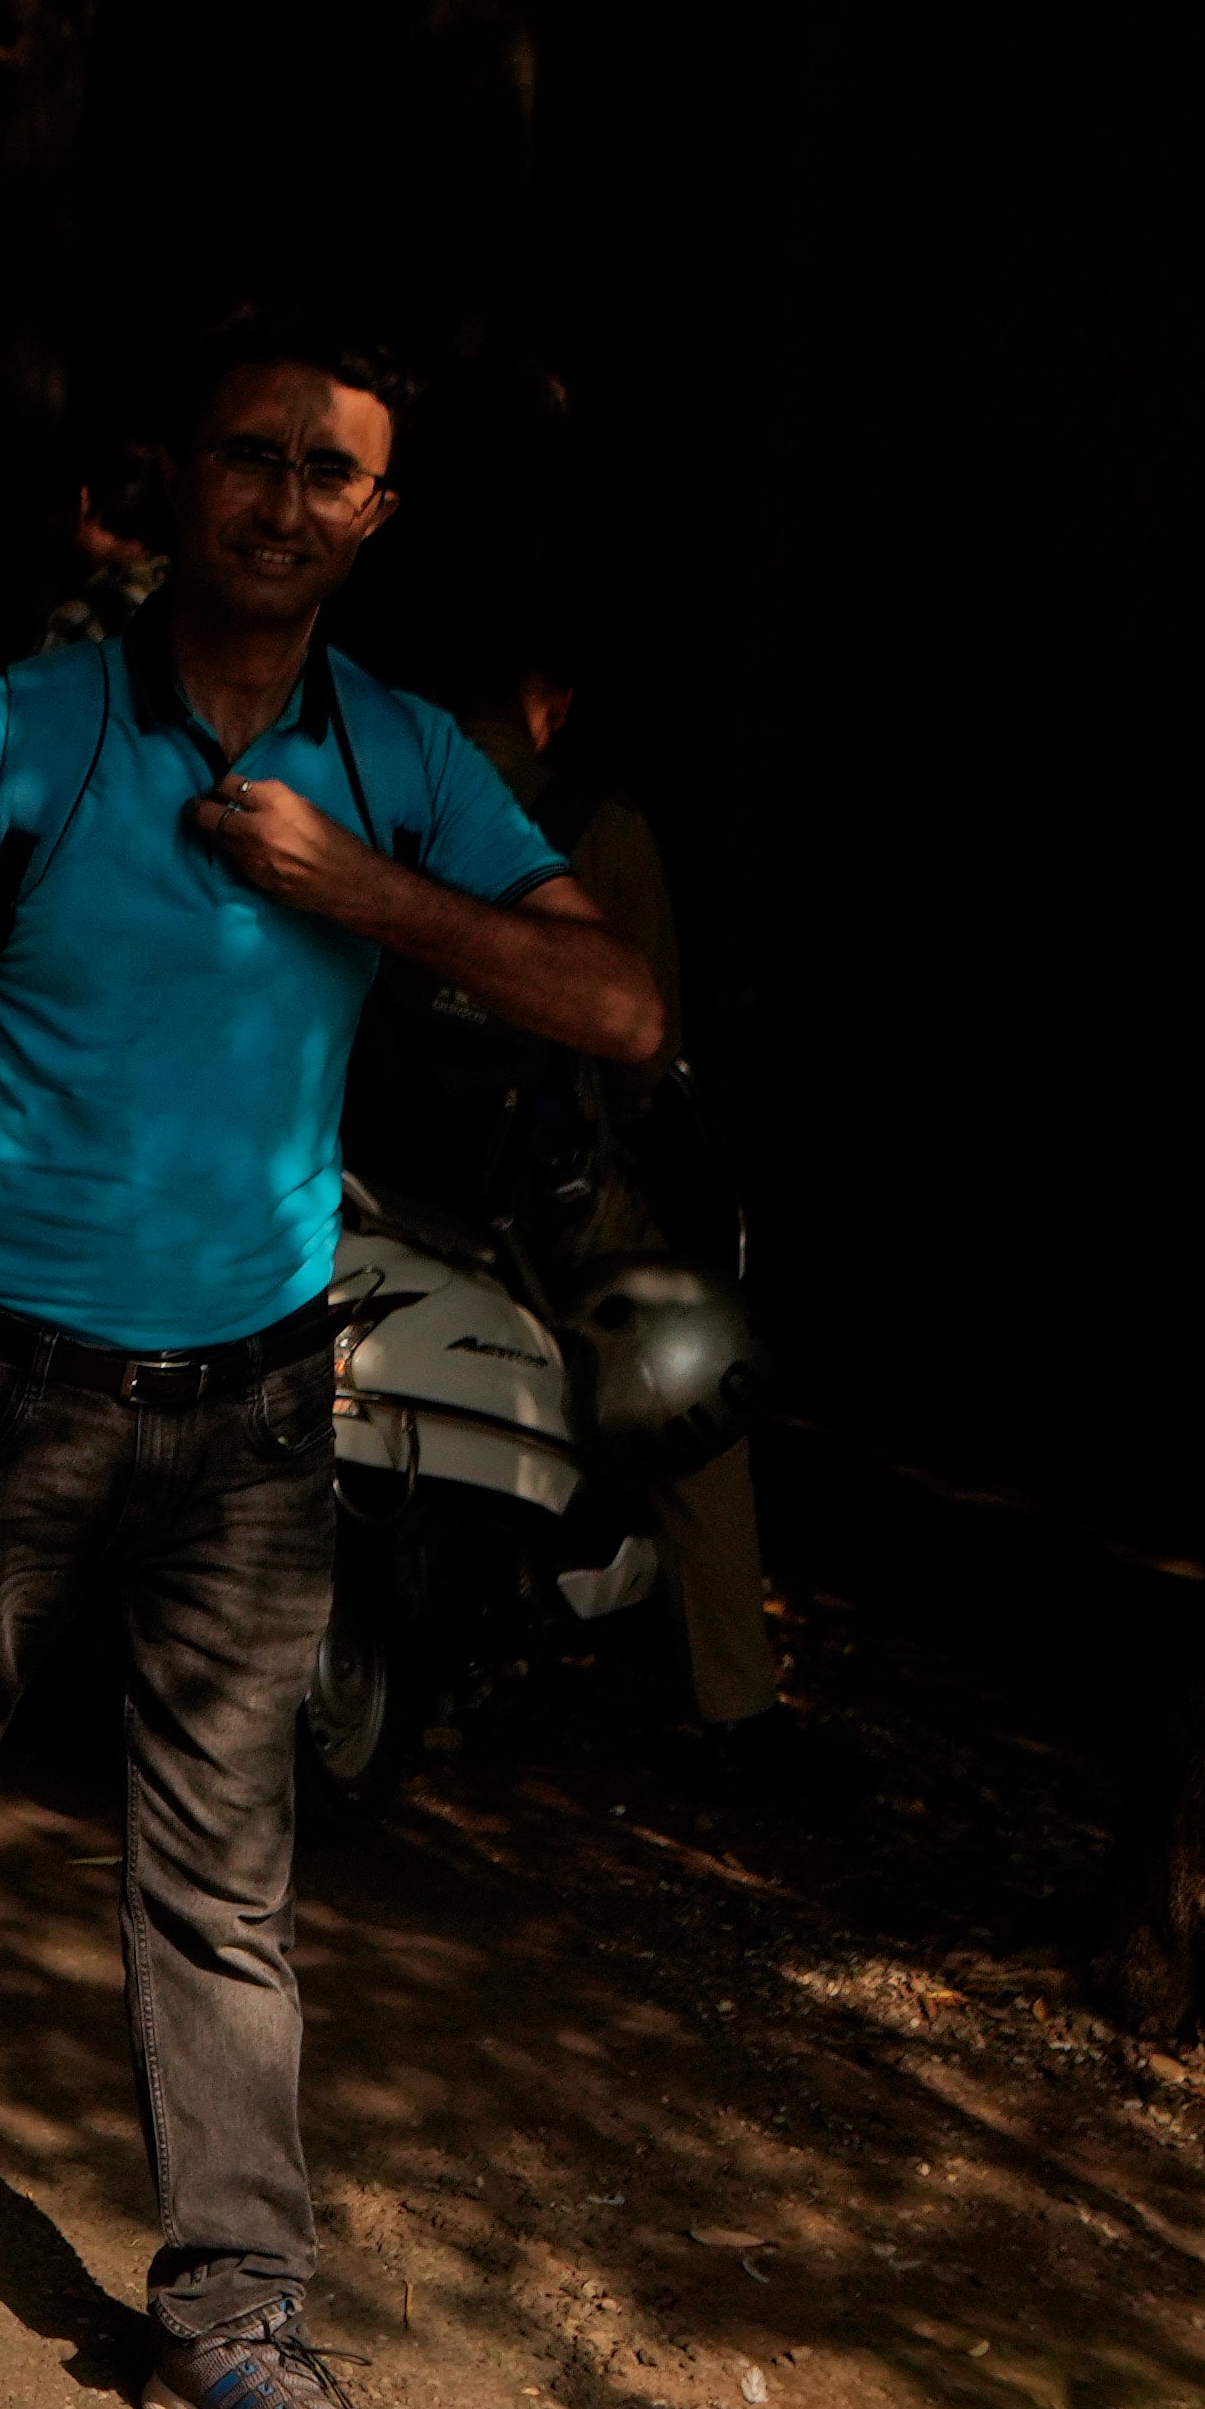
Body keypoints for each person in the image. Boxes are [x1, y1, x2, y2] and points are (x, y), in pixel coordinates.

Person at [0, 320, 664, 2409]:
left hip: (263, 1401)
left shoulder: (398, 766)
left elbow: (619, 1002)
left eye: (335, 473)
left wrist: (356, 890)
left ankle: (231, 2320)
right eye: (253, 459)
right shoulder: (21, 734)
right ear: (173, 484)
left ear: (380, 519)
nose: (289, 500)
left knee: (225, 1871)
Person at [439, 648, 783, 1751]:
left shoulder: (381, 784)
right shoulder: (594, 824)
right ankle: (734, 1698)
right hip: (532, 1188)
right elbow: (646, 1048)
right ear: (556, 704)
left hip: (372, 1154)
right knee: (690, 1375)